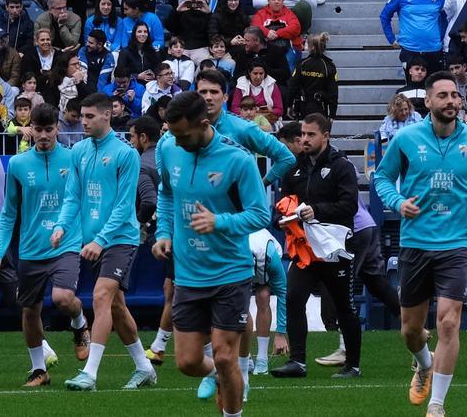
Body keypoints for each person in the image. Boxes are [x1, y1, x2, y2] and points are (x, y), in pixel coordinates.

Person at [373, 71, 467, 416]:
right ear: (427, 101)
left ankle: (437, 405)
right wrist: (398, 203)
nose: (451, 101)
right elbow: (382, 177)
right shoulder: (406, 138)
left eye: (455, 95)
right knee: (411, 331)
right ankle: (424, 363)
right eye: (442, 95)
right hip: (415, 241)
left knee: (448, 322)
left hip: (457, 242)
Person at [153, 91, 269, 417]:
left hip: (230, 273)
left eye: (182, 135)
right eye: (172, 135)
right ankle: (223, 377)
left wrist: (219, 222)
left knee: (224, 355)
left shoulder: (238, 160)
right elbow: (166, 194)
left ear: (203, 124)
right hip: (188, 274)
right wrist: (164, 233)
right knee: (188, 362)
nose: (176, 142)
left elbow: (261, 214)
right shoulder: (170, 148)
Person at [53, 93, 157, 391]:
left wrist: (100, 240)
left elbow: (124, 206)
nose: (83, 122)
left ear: (107, 115)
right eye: (82, 116)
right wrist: (61, 226)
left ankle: (90, 373)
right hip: (93, 241)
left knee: (100, 297)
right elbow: (72, 196)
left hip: (120, 238)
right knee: (117, 307)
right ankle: (144, 367)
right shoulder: (78, 151)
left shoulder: (126, 154)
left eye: (89, 116)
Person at [0, 103, 90, 387]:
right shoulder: (18, 164)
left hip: (66, 243)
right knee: (29, 311)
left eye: (49, 129)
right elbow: (9, 211)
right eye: (38, 129)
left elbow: (84, 200)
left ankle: (79, 324)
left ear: (57, 128)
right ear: (30, 129)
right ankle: (39, 370)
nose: (44, 135)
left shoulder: (73, 158)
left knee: (63, 298)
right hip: (31, 248)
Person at [270, 113, 362, 380]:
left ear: (326, 136)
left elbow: (349, 206)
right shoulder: (294, 168)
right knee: (293, 298)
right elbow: (283, 202)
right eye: (302, 134)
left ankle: (353, 365)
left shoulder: (341, 166)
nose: (305, 139)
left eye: (311, 134)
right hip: (305, 250)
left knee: (344, 307)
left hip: (335, 248)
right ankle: (297, 361)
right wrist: (279, 219)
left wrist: (316, 211)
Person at [381, 0, 446, 77]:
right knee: (412, 86)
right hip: (410, 50)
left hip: (434, 50)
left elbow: (445, 17)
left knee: (434, 86)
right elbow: (384, 16)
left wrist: (441, 37)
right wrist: (391, 39)